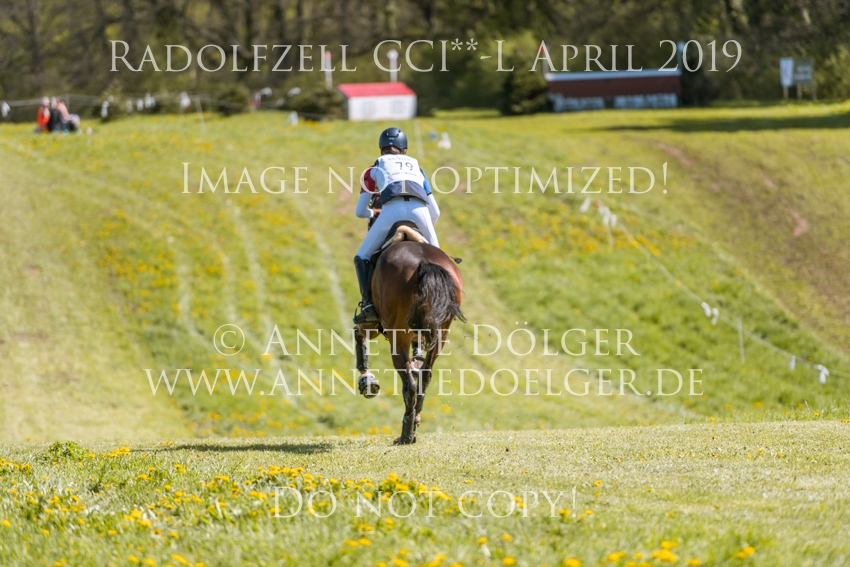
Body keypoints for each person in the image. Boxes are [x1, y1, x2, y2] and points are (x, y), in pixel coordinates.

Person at [352, 127, 441, 324]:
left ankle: (368, 306)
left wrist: (374, 212)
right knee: (438, 258)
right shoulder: (418, 168)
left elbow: (359, 212)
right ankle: (442, 303)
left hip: (391, 211)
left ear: (381, 149)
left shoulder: (372, 169)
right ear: (405, 150)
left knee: (361, 256)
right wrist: (423, 231)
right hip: (421, 211)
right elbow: (435, 212)